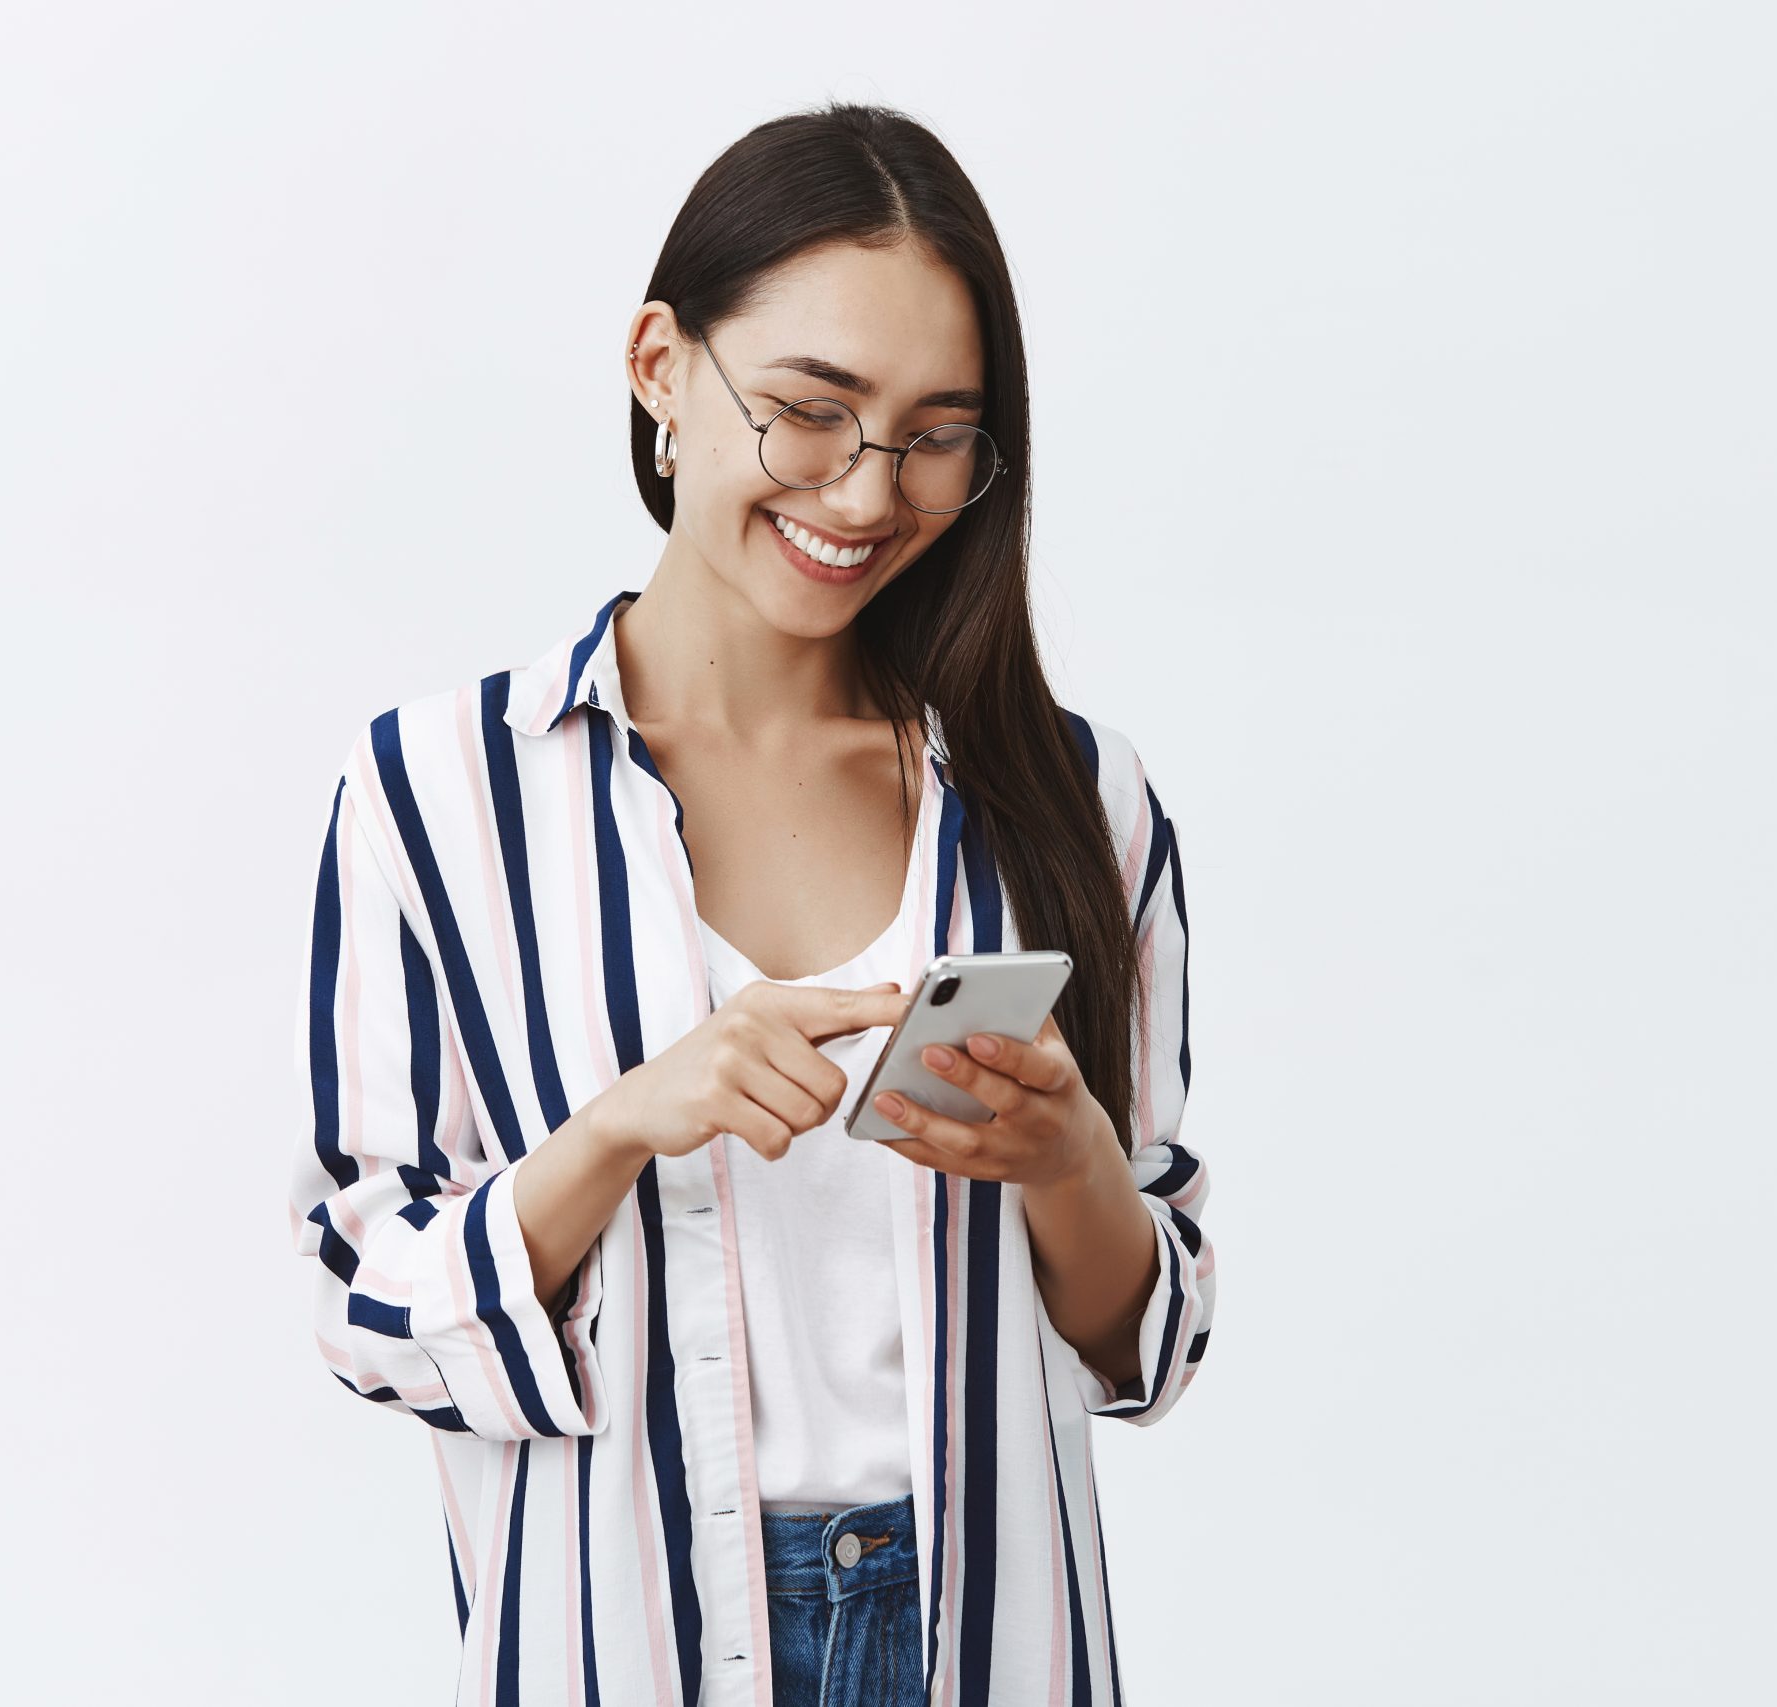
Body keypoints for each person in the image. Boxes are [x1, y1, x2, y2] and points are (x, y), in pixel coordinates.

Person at [283, 100, 1214, 1707]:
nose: (866, 495)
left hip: (990, 1633)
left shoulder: (1077, 798)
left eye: (937, 434)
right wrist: (619, 1129)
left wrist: (1068, 1157)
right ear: (658, 367)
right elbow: (373, 1312)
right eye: (809, 411)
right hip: (631, 1634)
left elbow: (1152, 1338)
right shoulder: (440, 796)